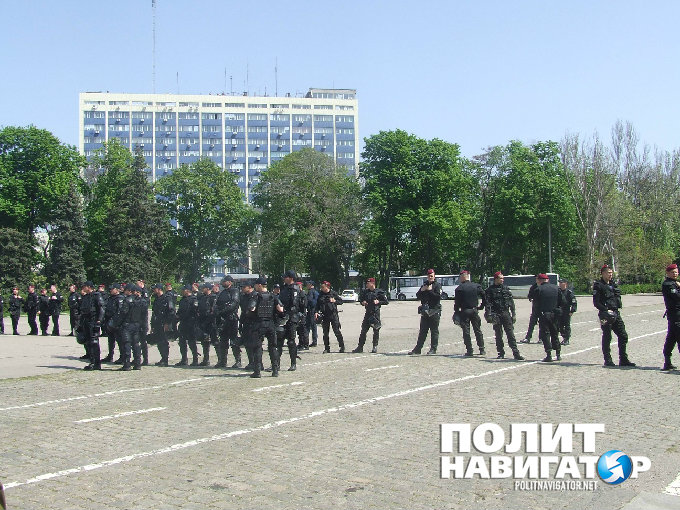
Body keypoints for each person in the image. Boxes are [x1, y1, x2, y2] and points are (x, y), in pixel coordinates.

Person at [593, 265, 635, 367]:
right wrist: (605, 310)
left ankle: (623, 359)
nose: (610, 275)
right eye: (608, 273)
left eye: (611, 273)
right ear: (603, 273)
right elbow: (596, 302)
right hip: (604, 315)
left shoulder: (613, 284)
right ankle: (608, 359)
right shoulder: (598, 285)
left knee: (623, 335)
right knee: (607, 336)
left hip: (615, 313)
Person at [248, 277, 284, 378]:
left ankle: (257, 371)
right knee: (273, 347)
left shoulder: (256, 296)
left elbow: (252, 308)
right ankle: (275, 370)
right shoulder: (273, 296)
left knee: (258, 347)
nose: (255, 287)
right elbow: (281, 309)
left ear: (259, 285)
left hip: (259, 324)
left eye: (255, 285)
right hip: (271, 324)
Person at [484, 271, 524, 360]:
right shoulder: (489, 290)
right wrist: (489, 315)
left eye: (503, 278)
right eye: (500, 278)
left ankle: (516, 353)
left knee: (510, 334)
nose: (502, 280)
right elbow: (488, 304)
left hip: (505, 313)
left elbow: (511, 302)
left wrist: (513, 314)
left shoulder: (506, 288)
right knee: (498, 335)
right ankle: (501, 353)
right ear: (495, 279)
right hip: (496, 314)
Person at [453, 270, 486, 356]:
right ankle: (482, 349)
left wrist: (456, 312)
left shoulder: (459, 288)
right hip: (474, 310)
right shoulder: (476, 286)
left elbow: (457, 303)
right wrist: (481, 306)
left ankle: (469, 350)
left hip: (465, 311)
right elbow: (484, 296)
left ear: (463, 276)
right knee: (478, 330)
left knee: (466, 331)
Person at [409, 269, 441, 355]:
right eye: (429, 276)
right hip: (425, 311)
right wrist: (422, 290)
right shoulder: (424, 284)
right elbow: (417, 296)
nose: (430, 277)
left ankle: (433, 349)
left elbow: (438, 297)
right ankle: (418, 349)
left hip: (434, 311)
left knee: (434, 331)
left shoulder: (437, 285)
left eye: (431, 276)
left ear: (434, 276)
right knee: (423, 331)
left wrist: (430, 291)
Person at [352, 277, 388, 353]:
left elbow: (386, 302)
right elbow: (361, 300)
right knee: (363, 331)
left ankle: (375, 346)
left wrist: (378, 302)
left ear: (372, 284)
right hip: (368, 313)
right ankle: (360, 347)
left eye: (368, 283)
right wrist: (363, 302)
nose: (367, 285)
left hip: (375, 314)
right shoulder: (365, 292)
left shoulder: (379, 292)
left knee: (376, 330)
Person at [532, 273, 562, 362]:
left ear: (540, 280)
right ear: (547, 280)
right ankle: (558, 353)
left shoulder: (538, 289)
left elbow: (536, 305)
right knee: (555, 333)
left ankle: (549, 354)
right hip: (555, 314)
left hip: (544, 314)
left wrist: (536, 316)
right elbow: (563, 302)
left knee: (545, 334)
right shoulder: (557, 288)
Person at [214, 276, 241, 368]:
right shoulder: (223, 293)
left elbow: (233, 304)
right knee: (223, 341)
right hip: (223, 320)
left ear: (230, 282)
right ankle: (223, 361)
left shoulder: (234, 291)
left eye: (225, 281)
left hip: (231, 319)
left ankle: (238, 360)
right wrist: (217, 311)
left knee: (233, 341)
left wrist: (221, 311)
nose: (223, 282)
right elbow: (217, 304)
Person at [79, 281, 106, 370]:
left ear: (89, 287)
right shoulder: (85, 296)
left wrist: (99, 321)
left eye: (84, 286)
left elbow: (101, 308)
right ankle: (92, 361)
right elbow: (83, 311)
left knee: (94, 342)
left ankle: (96, 363)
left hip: (93, 321)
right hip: (86, 321)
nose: (83, 288)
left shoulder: (96, 295)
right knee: (88, 343)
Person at [278, 270, 302, 369]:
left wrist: (285, 313)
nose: (284, 278)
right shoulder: (284, 288)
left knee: (291, 341)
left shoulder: (295, 289)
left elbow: (295, 305)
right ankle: (276, 364)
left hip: (291, 317)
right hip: (282, 317)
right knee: (278, 341)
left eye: (286, 277)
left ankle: (293, 363)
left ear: (291, 278)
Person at [117, 284, 143, 370]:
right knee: (136, 345)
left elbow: (123, 312)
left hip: (127, 325)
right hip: (137, 324)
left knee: (126, 344)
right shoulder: (140, 301)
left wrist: (118, 323)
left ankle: (127, 364)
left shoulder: (127, 300)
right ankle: (137, 363)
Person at [316, 280, 345, 354]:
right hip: (325, 315)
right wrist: (316, 312)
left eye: (323, 287)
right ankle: (327, 348)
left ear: (327, 287)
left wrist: (334, 301)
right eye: (321, 287)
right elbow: (317, 305)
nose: (321, 288)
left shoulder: (333, 293)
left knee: (337, 331)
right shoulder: (320, 294)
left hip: (333, 315)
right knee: (325, 333)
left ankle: (342, 346)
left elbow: (341, 301)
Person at [661, 263, 680, 371]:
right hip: (676, 315)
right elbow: (677, 297)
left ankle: (667, 362)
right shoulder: (668, 284)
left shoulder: (674, 283)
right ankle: (667, 362)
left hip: (675, 315)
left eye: (676, 272)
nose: (675, 274)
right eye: (673, 272)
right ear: (667, 273)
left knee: (671, 338)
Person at [150, 283, 175, 366]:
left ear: (159, 289)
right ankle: (162, 358)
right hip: (157, 323)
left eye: (155, 288)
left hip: (164, 323)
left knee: (164, 342)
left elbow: (171, 311)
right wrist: (152, 325)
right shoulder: (156, 299)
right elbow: (154, 313)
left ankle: (165, 359)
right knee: (159, 341)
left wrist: (167, 323)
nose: (154, 290)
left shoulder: (167, 298)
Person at [176, 285, 200, 366]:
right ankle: (184, 359)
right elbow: (179, 311)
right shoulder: (182, 300)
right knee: (182, 342)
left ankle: (195, 360)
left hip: (191, 323)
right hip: (183, 323)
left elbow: (195, 312)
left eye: (184, 290)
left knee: (192, 342)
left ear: (188, 290)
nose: (182, 291)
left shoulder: (194, 300)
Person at [102, 284, 125, 363]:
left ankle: (122, 357)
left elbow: (120, 312)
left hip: (116, 323)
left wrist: (116, 322)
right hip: (109, 322)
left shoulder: (120, 298)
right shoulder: (110, 298)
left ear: (117, 290)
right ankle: (110, 356)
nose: (110, 290)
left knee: (120, 340)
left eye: (112, 289)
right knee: (110, 340)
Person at [197, 283, 217, 366]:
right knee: (204, 341)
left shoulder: (213, 298)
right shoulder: (202, 297)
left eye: (204, 288)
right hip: (202, 321)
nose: (202, 289)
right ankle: (206, 359)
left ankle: (221, 360)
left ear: (208, 289)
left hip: (211, 321)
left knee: (215, 341)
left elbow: (214, 310)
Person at [521, 275, 541, 343]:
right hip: (535, 308)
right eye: (536, 279)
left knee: (542, 324)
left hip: (543, 308)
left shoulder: (544, 286)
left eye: (538, 279)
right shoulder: (533, 287)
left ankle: (541, 338)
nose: (537, 280)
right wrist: (531, 298)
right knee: (531, 323)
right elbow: (529, 295)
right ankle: (528, 338)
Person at [558, 278, 577, 345]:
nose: (560, 284)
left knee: (567, 326)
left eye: (561, 283)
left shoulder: (569, 292)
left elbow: (574, 302)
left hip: (566, 311)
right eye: (559, 283)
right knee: (560, 326)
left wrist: (572, 311)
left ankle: (567, 339)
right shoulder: (558, 291)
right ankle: (564, 337)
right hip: (559, 311)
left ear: (565, 283)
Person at [295, 281, 308, 350]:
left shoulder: (302, 293)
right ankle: (301, 343)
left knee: (303, 329)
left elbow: (304, 304)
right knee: (299, 330)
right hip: (298, 313)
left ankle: (304, 344)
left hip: (302, 314)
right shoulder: (298, 293)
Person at [306, 281, 319, 347]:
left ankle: (306, 342)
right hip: (314, 310)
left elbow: (310, 301)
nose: (306, 285)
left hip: (311, 310)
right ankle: (314, 341)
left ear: (311, 285)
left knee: (308, 326)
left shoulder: (311, 292)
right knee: (314, 326)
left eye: (308, 284)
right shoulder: (316, 292)